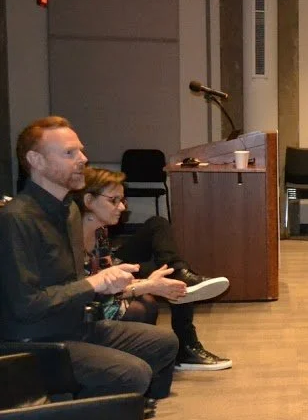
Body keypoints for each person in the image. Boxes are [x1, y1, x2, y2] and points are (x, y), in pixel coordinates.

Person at [0, 116, 178, 399]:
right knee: (133, 373)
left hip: (75, 326)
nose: (83, 158)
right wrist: (94, 284)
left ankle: (89, 409)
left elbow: (73, 284)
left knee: (164, 343)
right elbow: (26, 305)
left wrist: (111, 283)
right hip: (37, 341)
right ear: (36, 160)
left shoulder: (69, 210)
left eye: (81, 151)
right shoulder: (16, 220)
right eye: (69, 153)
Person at [77, 167, 232, 370]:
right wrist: (148, 286)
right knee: (148, 302)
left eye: (122, 200)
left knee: (166, 253)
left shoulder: (99, 232)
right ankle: (180, 350)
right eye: (113, 200)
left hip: (108, 284)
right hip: (87, 306)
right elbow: (96, 291)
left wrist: (150, 283)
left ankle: (181, 276)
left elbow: (108, 276)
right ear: (88, 201)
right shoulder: (71, 239)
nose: (122, 207)